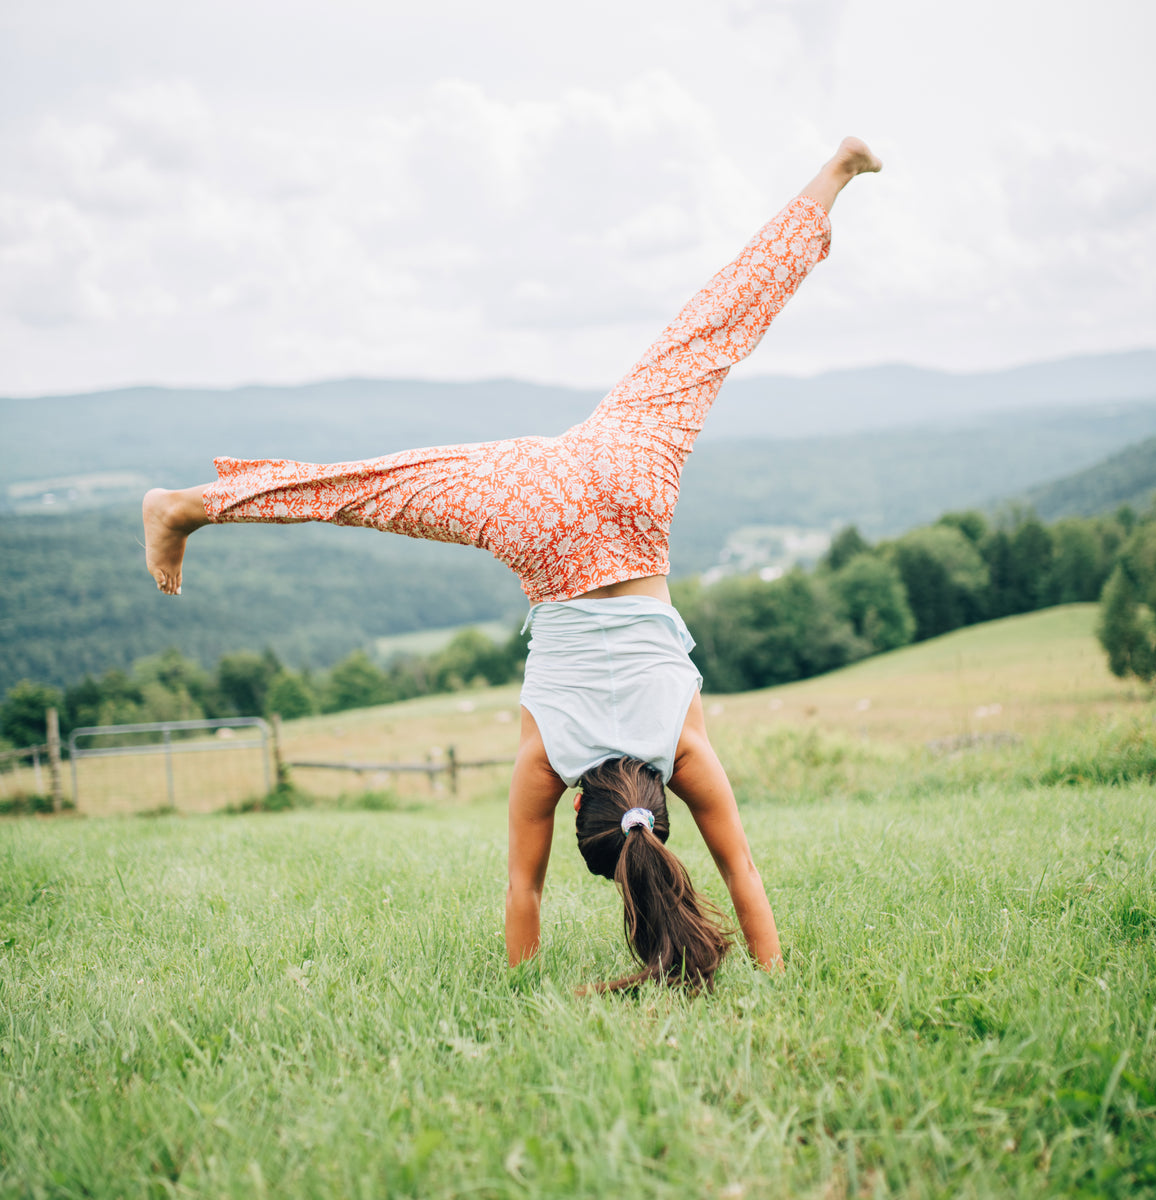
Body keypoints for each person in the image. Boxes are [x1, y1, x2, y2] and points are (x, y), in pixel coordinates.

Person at [143, 136, 882, 991]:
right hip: (535, 514)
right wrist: (523, 994)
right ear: (579, 807)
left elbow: (743, 879)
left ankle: (835, 172)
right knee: (378, 489)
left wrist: (775, 969)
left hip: (626, 486)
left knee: (707, 334)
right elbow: (522, 891)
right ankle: (187, 505)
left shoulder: (685, 751)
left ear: (654, 808)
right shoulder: (545, 762)